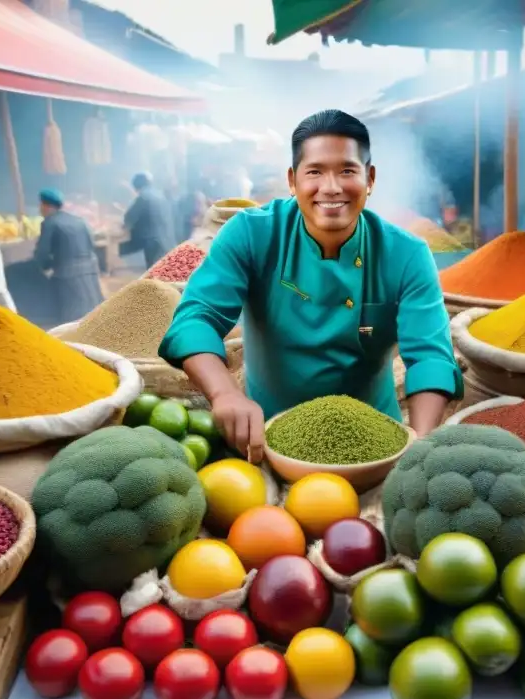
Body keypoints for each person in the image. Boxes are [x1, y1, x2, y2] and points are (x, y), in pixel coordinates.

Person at [159, 109, 463, 463]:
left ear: (370, 178)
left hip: (374, 446)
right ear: (292, 180)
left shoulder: (406, 254)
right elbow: (196, 319)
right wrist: (225, 394)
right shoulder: (251, 234)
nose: (331, 187)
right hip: (264, 437)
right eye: (315, 172)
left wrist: (421, 445)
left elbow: (430, 355)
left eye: (347, 170)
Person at [34, 189, 104, 325]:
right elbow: (91, 243)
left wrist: (45, 267)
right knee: (94, 312)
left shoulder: (49, 223)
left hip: (68, 276)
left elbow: (42, 253)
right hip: (90, 272)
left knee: (72, 319)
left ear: (45, 205)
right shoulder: (80, 220)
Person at [121, 172, 175, 269]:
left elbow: (129, 218)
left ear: (136, 186)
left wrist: (124, 227)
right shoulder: (160, 195)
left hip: (154, 244)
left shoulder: (143, 197)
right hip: (168, 241)